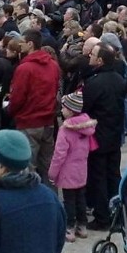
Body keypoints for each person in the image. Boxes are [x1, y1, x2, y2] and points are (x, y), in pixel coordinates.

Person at [81, 42, 127, 231]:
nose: (89, 56)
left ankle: (102, 217)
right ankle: (116, 213)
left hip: (98, 136)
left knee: (98, 177)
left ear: (99, 60)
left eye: (92, 54)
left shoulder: (94, 82)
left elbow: (86, 109)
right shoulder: (119, 79)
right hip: (115, 134)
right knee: (114, 175)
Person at [7, 30, 61, 183]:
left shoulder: (24, 68)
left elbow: (18, 97)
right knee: (48, 167)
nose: (19, 45)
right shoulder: (53, 65)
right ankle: (51, 199)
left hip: (28, 121)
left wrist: (11, 110)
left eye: (22, 42)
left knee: (27, 167)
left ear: (30, 44)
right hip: (48, 121)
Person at [48, 92, 96, 242]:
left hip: (67, 171)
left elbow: (59, 154)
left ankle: (69, 228)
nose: (61, 110)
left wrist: (52, 173)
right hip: (82, 169)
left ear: (70, 110)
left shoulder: (65, 130)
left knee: (69, 200)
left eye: (63, 107)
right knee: (81, 198)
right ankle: (82, 226)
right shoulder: (86, 128)